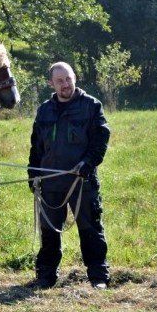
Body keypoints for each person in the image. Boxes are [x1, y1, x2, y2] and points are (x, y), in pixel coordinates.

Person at [27, 62, 111, 289]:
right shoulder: (44, 110)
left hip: (81, 182)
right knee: (49, 233)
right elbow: (36, 145)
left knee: (91, 230)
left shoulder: (91, 106)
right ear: (51, 84)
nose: (66, 85)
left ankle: (98, 277)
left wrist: (88, 163)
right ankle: (45, 277)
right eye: (60, 81)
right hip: (50, 183)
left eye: (69, 79)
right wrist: (33, 171)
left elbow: (100, 140)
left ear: (75, 78)